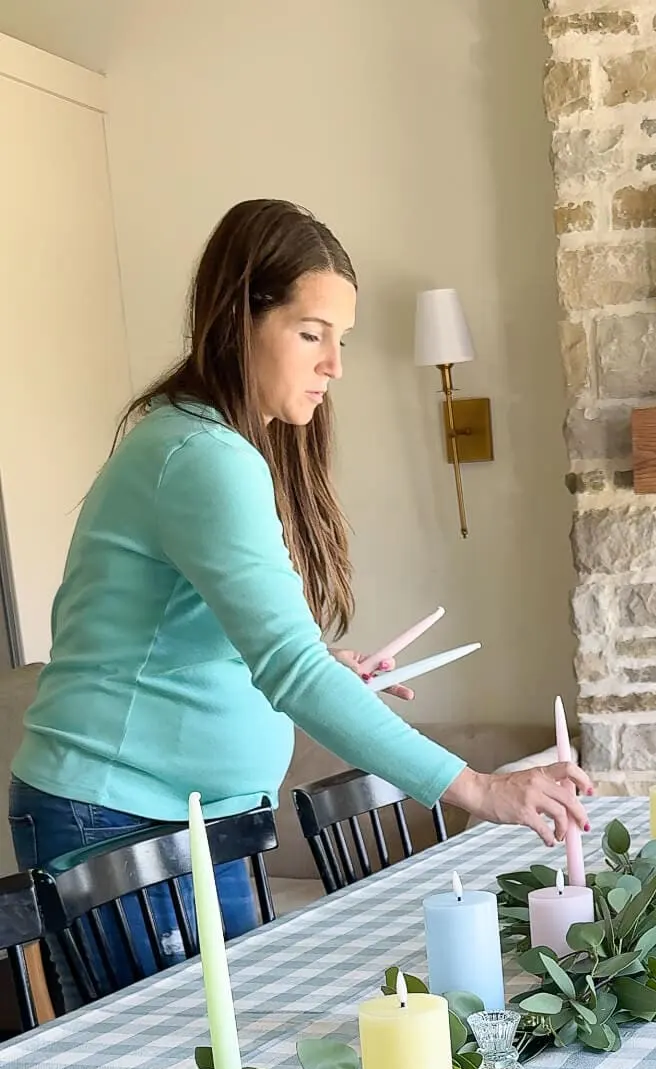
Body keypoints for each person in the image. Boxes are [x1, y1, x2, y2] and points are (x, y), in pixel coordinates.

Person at [8, 198, 589, 994]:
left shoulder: (206, 443)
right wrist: (477, 787)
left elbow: (231, 645)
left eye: (340, 340)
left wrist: (325, 662)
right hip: (123, 817)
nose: (334, 366)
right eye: (312, 333)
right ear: (237, 319)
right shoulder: (201, 455)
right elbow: (286, 668)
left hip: (192, 818)